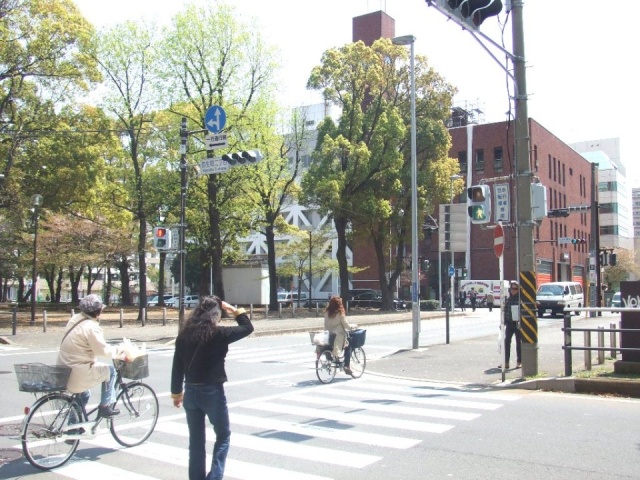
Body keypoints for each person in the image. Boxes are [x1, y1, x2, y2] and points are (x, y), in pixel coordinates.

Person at [171, 296, 254, 480]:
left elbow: (177, 366)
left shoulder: (184, 335)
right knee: (223, 435)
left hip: (190, 392)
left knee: (196, 442)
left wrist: (176, 393)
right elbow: (247, 327)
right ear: (216, 314)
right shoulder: (218, 334)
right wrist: (234, 309)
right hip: (212, 391)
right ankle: (214, 477)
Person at [57, 294, 121, 417]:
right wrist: (119, 351)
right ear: (98, 312)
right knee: (111, 371)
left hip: (63, 370)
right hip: (77, 371)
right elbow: (102, 351)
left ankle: (74, 428)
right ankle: (105, 407)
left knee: (84, 394)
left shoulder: (75, 319)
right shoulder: (91, 327)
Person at [323, 295, 355, 375]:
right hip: (338, 336)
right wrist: (353, 327)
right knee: (348, 347)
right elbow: (346, 325)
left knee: (331, 347)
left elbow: (325, 324)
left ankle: (331, 359)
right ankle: (346, 366)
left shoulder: (326, 312)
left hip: (328, 335)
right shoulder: (340, 313)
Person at [502, 282, 522, 369]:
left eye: (515, 289)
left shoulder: (520, 299)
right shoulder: (508, 299)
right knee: (507, 342)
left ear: (518, 290)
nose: (513, 291)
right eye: (512, 289)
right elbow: (505, 311)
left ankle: (519, 361)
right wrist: (503, 322)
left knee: (519, 343)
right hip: (509, 324)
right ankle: (506, 361)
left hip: (518, 324)